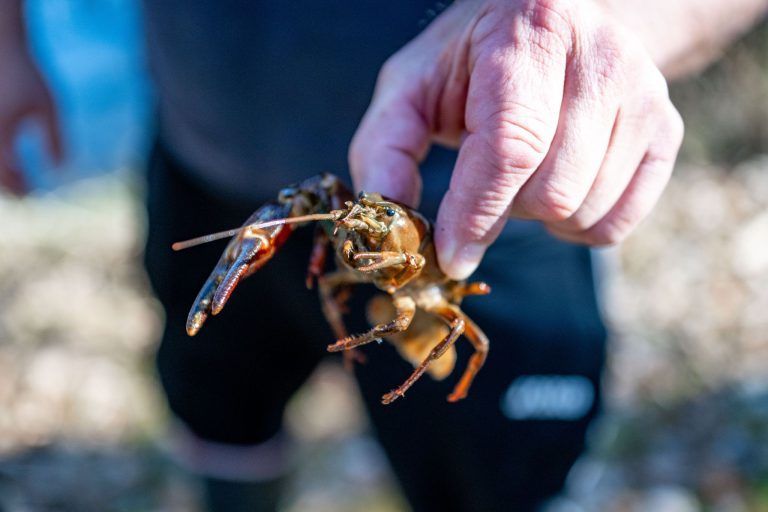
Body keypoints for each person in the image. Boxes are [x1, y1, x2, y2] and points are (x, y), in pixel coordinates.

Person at [1, 0, 766, 510]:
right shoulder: (342, 215)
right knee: (218, 418)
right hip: (206, 160)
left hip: (496, 217)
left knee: (504, 486)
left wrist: (602, 21)